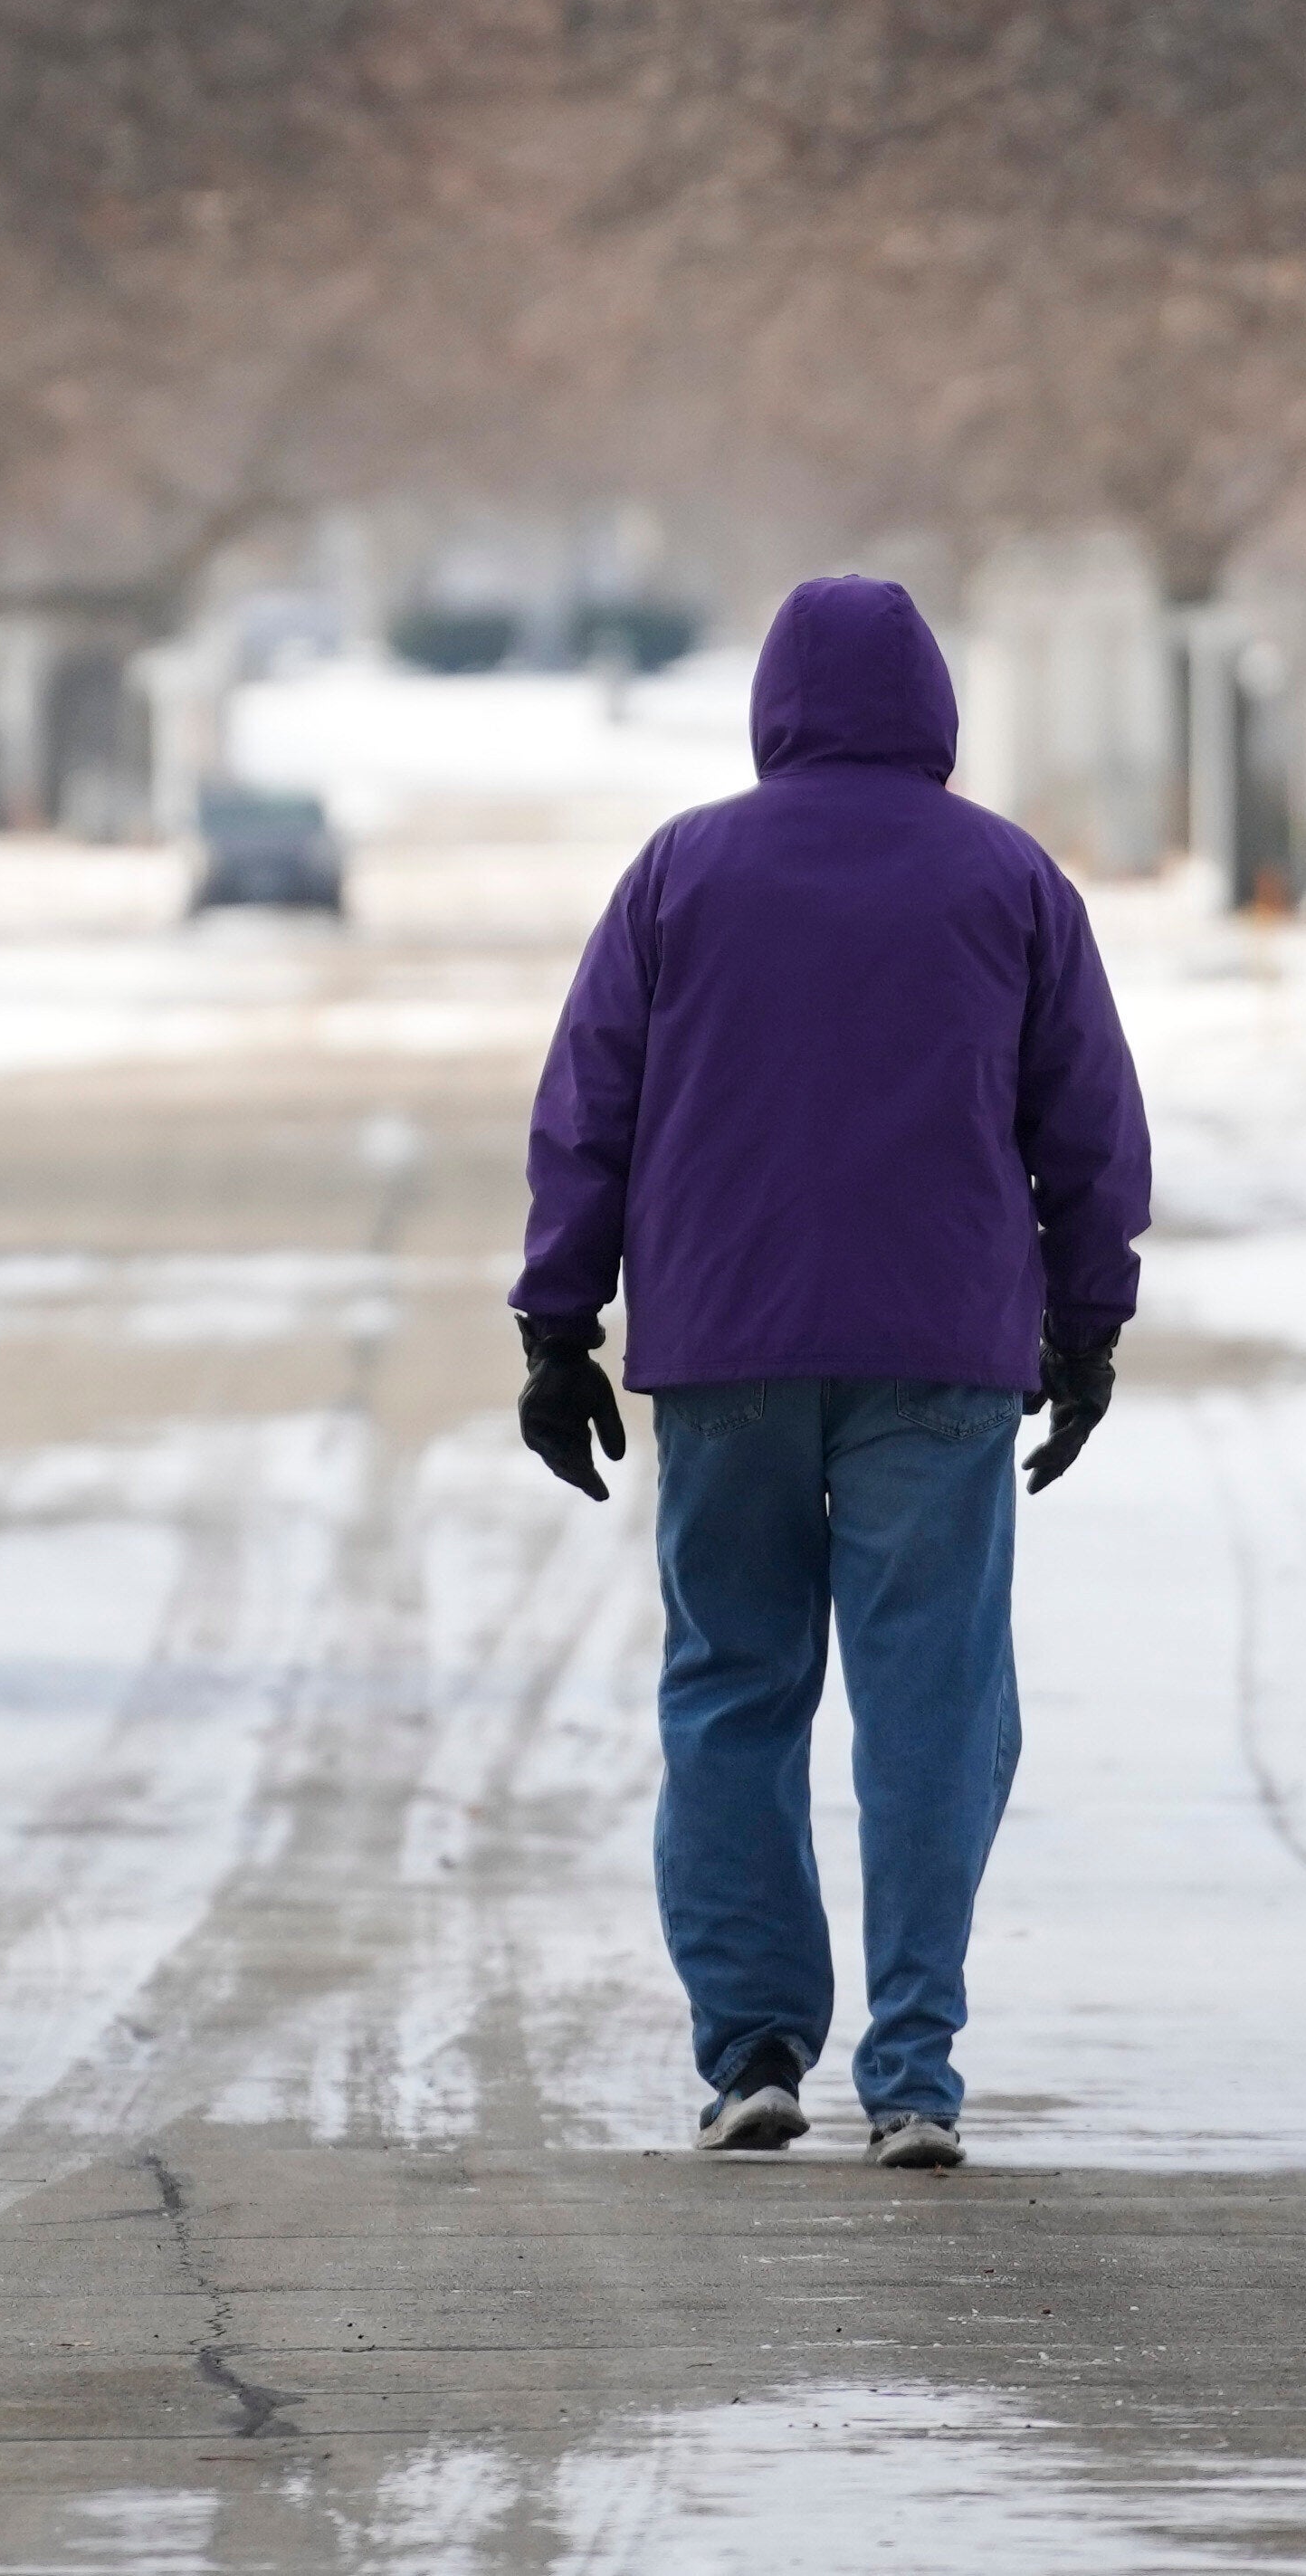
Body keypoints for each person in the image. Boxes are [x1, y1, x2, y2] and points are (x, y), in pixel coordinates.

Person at [510, 572, 1151, 2171]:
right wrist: (1087, 1323)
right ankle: (915, 2065)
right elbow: (1087, 1126)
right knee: (930, 1702)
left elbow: (590, 1102)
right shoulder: (1006, 878)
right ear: (933, 703)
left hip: (723, 1347)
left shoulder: (681, 873)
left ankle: (751, 2051)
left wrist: (555, 1321)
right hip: (938, 1348)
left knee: (731, 1686)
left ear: (772, 706)